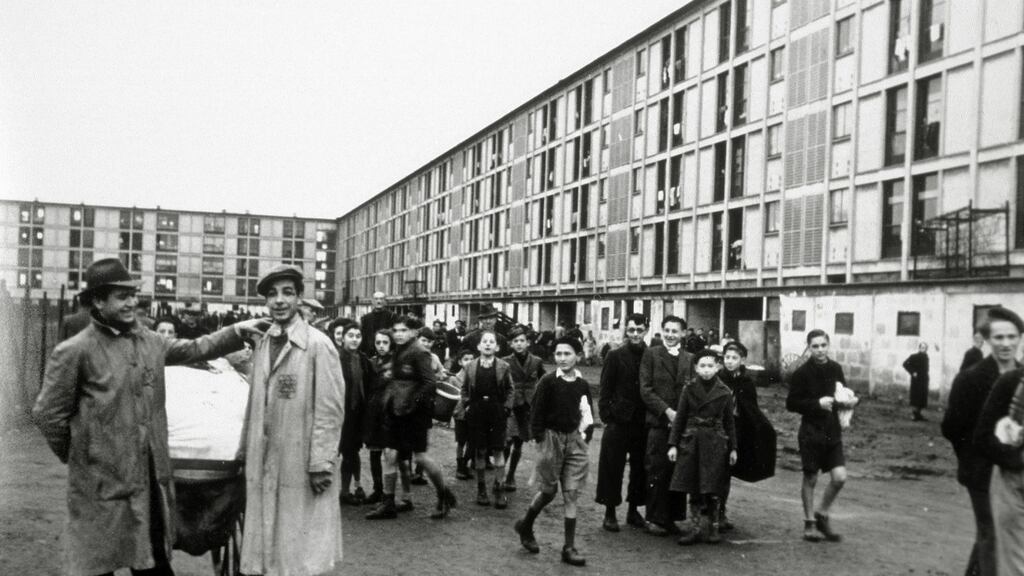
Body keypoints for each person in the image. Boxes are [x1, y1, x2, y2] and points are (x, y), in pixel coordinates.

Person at [33, 258, 266, 576]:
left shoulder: (149, 342)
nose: (131, 302)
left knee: (154, 565)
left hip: (148, 483)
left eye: (132, 295)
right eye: (121, 296)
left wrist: (236, 331)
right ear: (99, 301)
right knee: (98, 566)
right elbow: (48, 414)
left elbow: (195, 348)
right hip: (101, 488)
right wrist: (81, 454)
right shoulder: (75, 351)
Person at [238, 264, 346, 576]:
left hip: (300, 462)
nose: (279, 301)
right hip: (264, 458)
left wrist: (321, 463)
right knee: (267, 547)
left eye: (287, 293)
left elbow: (331, 409)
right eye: (272, 294)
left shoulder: (317, 344)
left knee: (298, 550)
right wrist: (245, 450)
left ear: (299, 298)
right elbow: (254, 402)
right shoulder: (261, 341)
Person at [943, 307, 1024, 576]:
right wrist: (973, 457)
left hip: (1014, 472)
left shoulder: (1021, 377)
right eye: (998, 337)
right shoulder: (971, 378)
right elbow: (952, 427)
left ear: (1020, 338)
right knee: (992, 532)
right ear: (988, 340)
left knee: (993, 534)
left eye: (1012, 337)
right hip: (982, 471)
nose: (1006, 344)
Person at [366, 315, 457, 520]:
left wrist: (411, 404)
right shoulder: (400, 350)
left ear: (414, 332)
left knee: (421, 457)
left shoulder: (419, 352)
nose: (398, 334)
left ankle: (444, 495)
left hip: (414, 415)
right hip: (397, 412)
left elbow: (429, 383)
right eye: (396, 330)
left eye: (403, 330)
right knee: (390, 454)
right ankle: (388, 503)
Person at [513, 337, 594, 567]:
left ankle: (568, 547)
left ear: (577, 356)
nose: (562, 358)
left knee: (571, 492)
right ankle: (526, 524)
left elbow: (586, 412)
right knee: (548, 491)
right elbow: (536, 413)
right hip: (550, 439)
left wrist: (585, 436)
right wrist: (539, 438)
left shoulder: (581, 384)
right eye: (558, 354)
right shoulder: (548, 381)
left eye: (567, 354)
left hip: (574, 441)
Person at [786, 329, 855, 543]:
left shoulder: (835, 368)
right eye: (815, 346)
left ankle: (822, 514)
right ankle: (809, 523)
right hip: (811, 432)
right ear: (809, 348)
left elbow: (842, 394)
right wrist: (816, 404)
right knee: (811, 478)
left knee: (840, 477)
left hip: (832, 431)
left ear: (828, 345)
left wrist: (852, 402)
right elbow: (791, 403)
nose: (819, 350)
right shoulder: (801, 373)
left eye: (823, 345)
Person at [669, 349, 737, 545]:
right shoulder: (688, 389)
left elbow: (729, 422)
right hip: (692, 441)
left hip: (715, 442)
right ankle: (696, 528)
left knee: (714, 487)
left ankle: (714, 527)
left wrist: (733, 448)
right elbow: (680, 418)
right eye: (702, 366)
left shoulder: (724, 392)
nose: (706, 370)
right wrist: (673, 444)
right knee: (694, 486)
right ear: (696, 368)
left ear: (717, 367)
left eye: (710, 366)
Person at [639, 315, 694, 536]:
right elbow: (646, 389)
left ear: (683, 334)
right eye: (667, 330)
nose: (671, 335)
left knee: (678, 471)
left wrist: (682, 415)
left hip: (682, 425)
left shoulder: (690, 358)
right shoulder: (651, 355)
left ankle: (672, 517)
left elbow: (692, 389)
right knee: (657, 470)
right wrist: (667, 411)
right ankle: (654, 518)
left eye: (675, 331)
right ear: (661, 332)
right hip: (659, 423)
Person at [596, 313, 649, 533]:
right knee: (612, 466)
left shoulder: (651, 355)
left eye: (639, 330)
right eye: (631, 330)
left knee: (641, 468)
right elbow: (605, 389)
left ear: (646, 330)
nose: (635, 334)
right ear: (626, 331)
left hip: (643, 420)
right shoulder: (615, 355)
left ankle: (633, 510)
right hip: (619, 420)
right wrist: (608, 415)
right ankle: (610, 512)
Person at [974, 363, 1024, 575]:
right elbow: (983, 436)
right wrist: (1016, 459)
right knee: (1015, 565)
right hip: (1014, 481)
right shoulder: (1012, 381)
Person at [458, 331, 514, 508]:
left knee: (498, 451)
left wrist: (506, 408)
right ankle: (481, 489)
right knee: (480, 451)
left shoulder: (504, 366)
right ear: (479, 346)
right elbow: (464, 389)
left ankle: (499, 489)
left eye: (492, 342)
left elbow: (511, 389)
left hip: (497, 411)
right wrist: (467, 405)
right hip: (477, 412)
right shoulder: (471, 366)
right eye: (485, 342)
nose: (488, 344)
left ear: (497, 347)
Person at [717, 341, 761, 531]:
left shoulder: (747, 382)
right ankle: (709, 512)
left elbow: (751, 408)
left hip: (736, 430)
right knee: (714, 472)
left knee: (726, 473)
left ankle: (720, 512)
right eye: (727, 357)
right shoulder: (717, 378)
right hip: (717, 429)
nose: (730, 361)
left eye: (734, 358)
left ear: (742, 360)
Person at [330, 318, 374, 507]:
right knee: (333, 452)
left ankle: (346, 490)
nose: (354, 339)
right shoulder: (335, 358)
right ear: (343, 339)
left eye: (358, 336)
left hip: (356, 415)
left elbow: (371, 383)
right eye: (351, 336)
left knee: (352, 452)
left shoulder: (363, 360)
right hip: (338, 413)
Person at [502, 326, 546, 491]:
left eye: (522, 341)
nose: (519, 344)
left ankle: (510, 475)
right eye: (515, 341)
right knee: (507, 441)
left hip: (528, 406)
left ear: (528, 343)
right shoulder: (505, 361)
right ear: (510, 344)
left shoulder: (536, 361)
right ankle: (500, 475)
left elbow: (543, 380)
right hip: (511, 406)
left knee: (519, 442)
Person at [363, 329, 395, 506]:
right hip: (373, 412)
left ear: (391, 344)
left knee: (390, 454)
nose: (381, 346)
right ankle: (378, 489)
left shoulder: (396, 363)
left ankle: (390, 494)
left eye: (385, 342)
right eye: (378, 343)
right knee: (374, 452)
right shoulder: (371, 363)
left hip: (389, 412)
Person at [452, 348, 478, 480]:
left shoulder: (477, 376)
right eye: (466, 359)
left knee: (472, 440)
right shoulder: (455, 379)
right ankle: (459, 467)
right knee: (461, 441)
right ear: (460, 362)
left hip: (474, 414)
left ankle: (465, 464)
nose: (469, 362)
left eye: (472, 359)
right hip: (461, 415)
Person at [360, 291, 398, 356]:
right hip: (370, 354)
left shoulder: (392, 316)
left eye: (381, 299)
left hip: (387, 353)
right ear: (372, 301)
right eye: (376, 299)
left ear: (385, 301)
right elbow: (363, 337)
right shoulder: (366, 318)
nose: (379, 301)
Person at [903, 342, 931, 421]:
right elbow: (905, 364)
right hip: (917, 380)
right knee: (916, 397)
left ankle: (918, 414)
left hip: (924, 379)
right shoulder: (914, 356)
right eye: (922, 347)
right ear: (919, 348)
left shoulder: (926, 357)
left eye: (925, 348)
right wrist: (913, 372)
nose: (923, 349)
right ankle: (915, 414)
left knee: (922, 397)